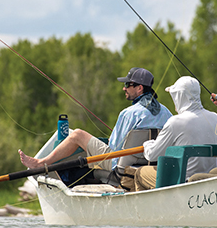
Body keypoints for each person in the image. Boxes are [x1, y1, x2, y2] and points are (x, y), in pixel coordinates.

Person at [18, 67, 172, 177]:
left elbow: (113, 147)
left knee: (77, 134)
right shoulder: (167, 113)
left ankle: (40, 163)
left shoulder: (128, 114)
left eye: (127, 85)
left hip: (119, 165)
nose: (124, 88)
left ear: (139, 88)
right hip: (153, 166)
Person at [133, 76, 217, 191]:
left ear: (179, 96)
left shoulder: (176, 122)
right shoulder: (215, 117)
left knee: (140, 173)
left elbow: (152, 155)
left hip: (184, 183)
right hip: (209, 180)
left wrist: (147, 144)